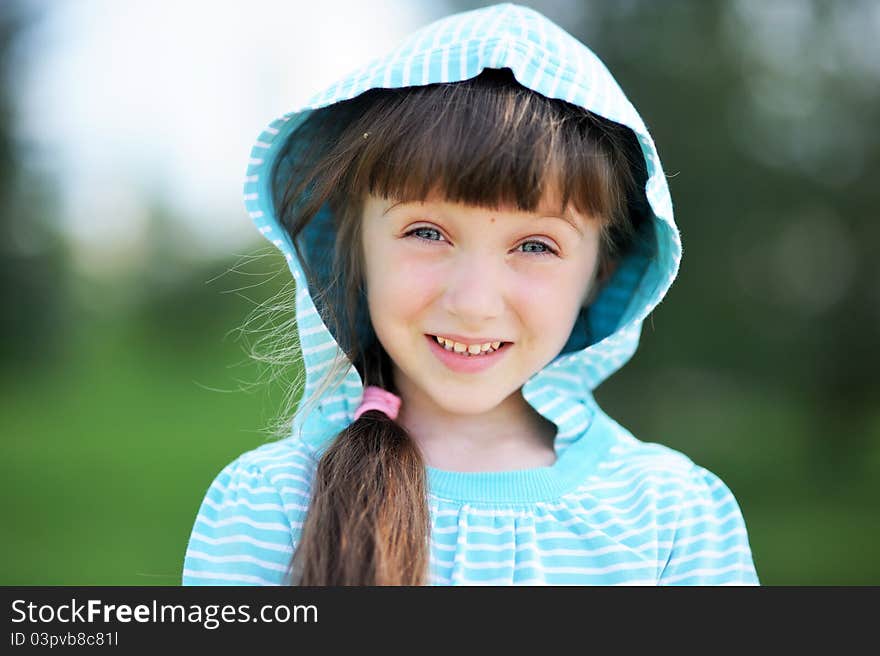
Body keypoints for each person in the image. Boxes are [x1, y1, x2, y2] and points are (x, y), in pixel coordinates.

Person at [182, 2, 760, 586]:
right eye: (427, 233)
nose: (475, 302)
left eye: (535, 245)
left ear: (601, 275)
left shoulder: (672, 518)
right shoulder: (269, 508)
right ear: (355, 250)